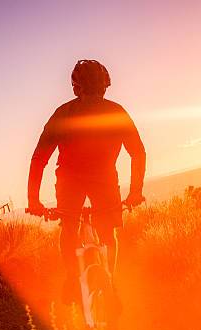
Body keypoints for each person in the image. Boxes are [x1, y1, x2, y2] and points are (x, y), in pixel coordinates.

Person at [27, 59, 146, 303]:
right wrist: (135, 192)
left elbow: (39, 158)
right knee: (107, 231)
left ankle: (73, 279)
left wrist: (34, 200)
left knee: (69, 228)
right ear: (105, 86)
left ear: (75, 88)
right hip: (103, 179)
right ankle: (109, 284)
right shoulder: (115, 111)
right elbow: (137, 152)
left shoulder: (64, 113)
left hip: (71, 180)